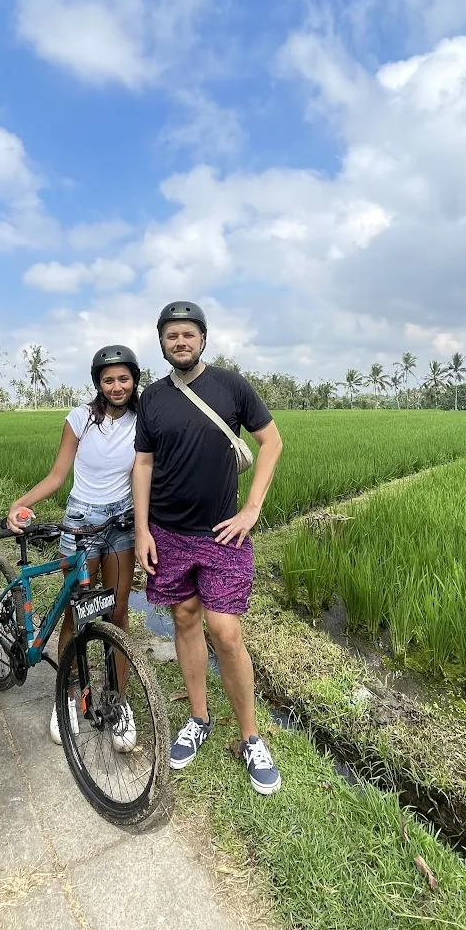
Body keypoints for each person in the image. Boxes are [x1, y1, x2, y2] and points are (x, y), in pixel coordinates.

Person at [133, 301, 284, 794]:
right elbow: (144, 466)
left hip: (224, 533)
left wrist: (252, 509)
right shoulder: (151, 399)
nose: (180, 342)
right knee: (183, 618)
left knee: (226, 632)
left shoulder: (231, 386)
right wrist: (142, 530)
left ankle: (251, 736)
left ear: (203, 338)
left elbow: (272, 442)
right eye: (171, 335)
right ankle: (198, 718)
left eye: (188, 334)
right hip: (168, 532)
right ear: (162, 342)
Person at [7, 345, 139, 749]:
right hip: (81, 519)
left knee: (117, 612)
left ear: (135, 379)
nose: (117, 386)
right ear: (98, 382)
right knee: (76, 611)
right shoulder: (80, 419)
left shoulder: (143, 419)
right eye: (108, 379)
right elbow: (58, 474)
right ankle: (65, 698)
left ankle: (118, 702)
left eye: (124, 378)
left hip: (122, 523)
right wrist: (21, 503)